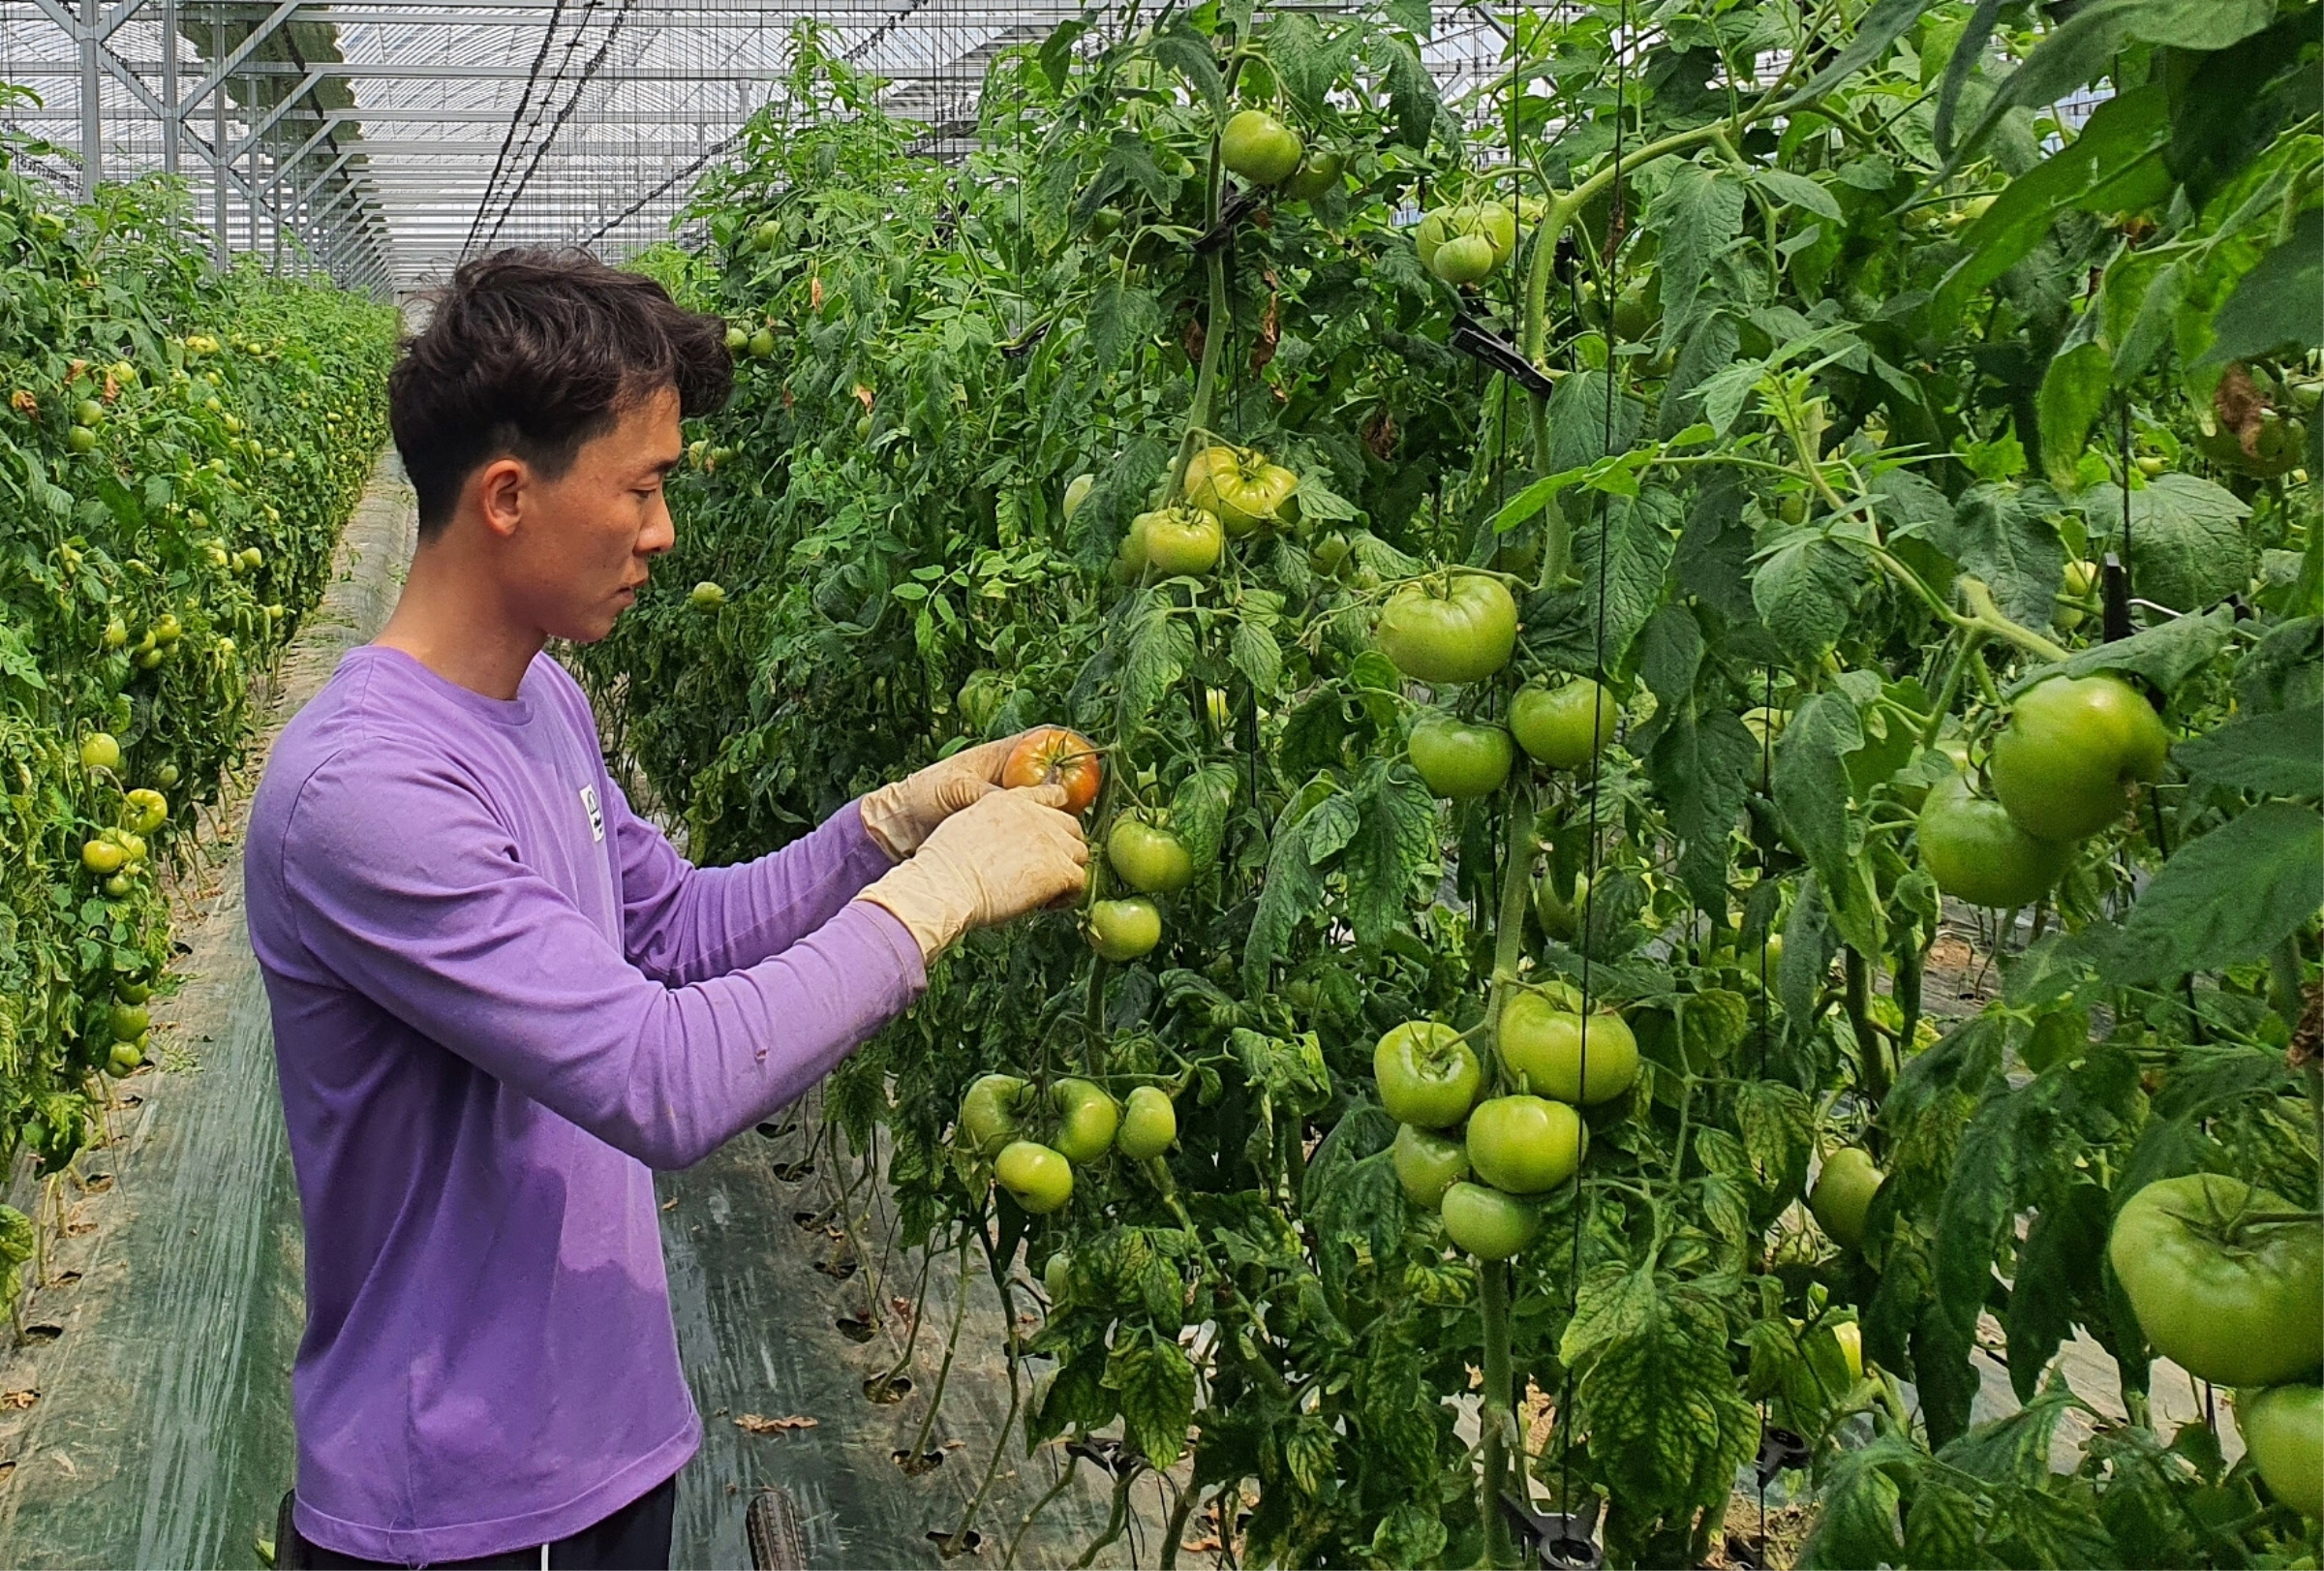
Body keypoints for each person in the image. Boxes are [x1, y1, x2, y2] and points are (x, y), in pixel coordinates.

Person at [244, 249, 1089, 1570]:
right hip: (458, 1505)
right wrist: (944, 894)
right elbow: (661, 1078)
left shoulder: (542, 701)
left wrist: (886, 826)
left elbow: (674, 929)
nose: (665, 533)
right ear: (511, 496)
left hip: (612, 1452)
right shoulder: (365, 790)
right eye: (640, 488)